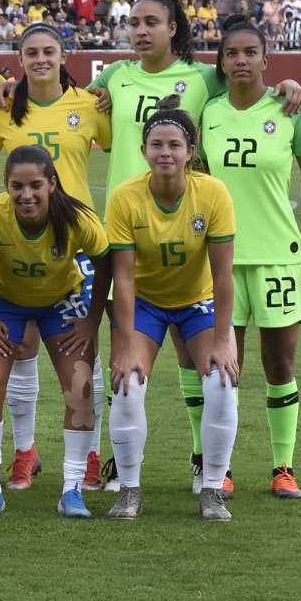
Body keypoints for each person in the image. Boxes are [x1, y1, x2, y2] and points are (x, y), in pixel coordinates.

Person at [83, 0, 301, 490]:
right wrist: (8, 89)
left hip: (184, 236)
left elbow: (246, 86)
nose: (140, 31)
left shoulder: (204, 78)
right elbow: (67, 96)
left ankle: (210, 465)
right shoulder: (114, 75)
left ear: (173, 27)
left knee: (195, 359)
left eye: (151, 22)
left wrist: (286, 85)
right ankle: (117, 463)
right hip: (126, 230)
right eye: (133, 22)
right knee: (122, 360)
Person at [200, 19, 301, 500]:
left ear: (266, 59)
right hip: (221, 260)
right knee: (223, 369)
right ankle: (219, 468)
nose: (241, 60)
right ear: (221, 63)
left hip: (279, 258)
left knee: (280, 365)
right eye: (231, 53)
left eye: (250, 52)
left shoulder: (288, 109)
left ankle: (283, 466)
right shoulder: (208, 113)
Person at [0, 22, 111, 491]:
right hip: (17, 238)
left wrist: (109, 92)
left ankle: (90, 456)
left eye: (48, 51)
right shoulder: (1, 108)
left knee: (83, 355)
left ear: (63, 54)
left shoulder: (91, 105)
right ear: (19, 59)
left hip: (77, 242)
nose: (40, 59)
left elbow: (128, 141)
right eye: (31, 51)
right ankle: (24, 453)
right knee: (18, 349)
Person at [104, 100, 239, 522]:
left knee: (220, 382)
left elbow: (222, 276)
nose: (165, 152)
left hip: (198, 302)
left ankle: (213, 489)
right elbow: (122, 279)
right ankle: (128, 489)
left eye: (175, 145)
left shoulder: (213, 193)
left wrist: (222, 339)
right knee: (127, 383)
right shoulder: (125, 197)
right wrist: (124, 344)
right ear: (144, 150)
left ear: (191, 151)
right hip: (145, 302)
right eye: (156, 144)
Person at [0, 146, 112, 518]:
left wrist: (92, 319)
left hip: (61, 300)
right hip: (3, 300)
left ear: (52, 183)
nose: (26, 195)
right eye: (17, 186)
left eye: (36, 185)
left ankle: (71, 490)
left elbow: (106, 261)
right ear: (6, 186)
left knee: (81, 387)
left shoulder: (77, 218)